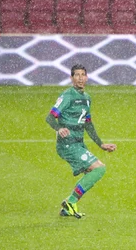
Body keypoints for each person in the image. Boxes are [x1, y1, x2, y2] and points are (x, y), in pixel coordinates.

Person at [45, 64, 116, 218]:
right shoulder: (67, 96)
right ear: (71, 78)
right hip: (67, 144)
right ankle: (71, 201)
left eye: (83, 74)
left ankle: (68, 207)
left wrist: (101, 144)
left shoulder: (87, 98)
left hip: (78, 143)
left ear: (87, 77)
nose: (80, 78)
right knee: (99, 169)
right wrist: (59, 128)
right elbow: (50, 117)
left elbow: (88, 123)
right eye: (76, 75)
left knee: (93, 170)